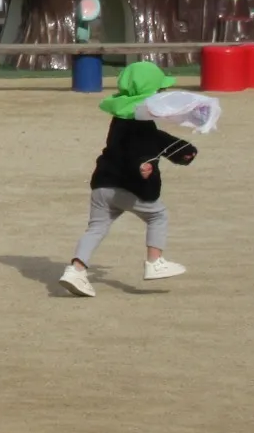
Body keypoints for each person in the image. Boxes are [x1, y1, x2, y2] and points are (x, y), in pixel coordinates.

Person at [60, 62, 195, 297]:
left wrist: (182, 149)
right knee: (157, 214)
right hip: (126, 186)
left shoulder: (121, 118)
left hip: (102, 185)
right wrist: (143, 165)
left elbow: (153, 140)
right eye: (159, 92)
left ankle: (76, 270)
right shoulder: (140, 124)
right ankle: (155, 262)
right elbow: (141, 147)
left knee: (97, 227)